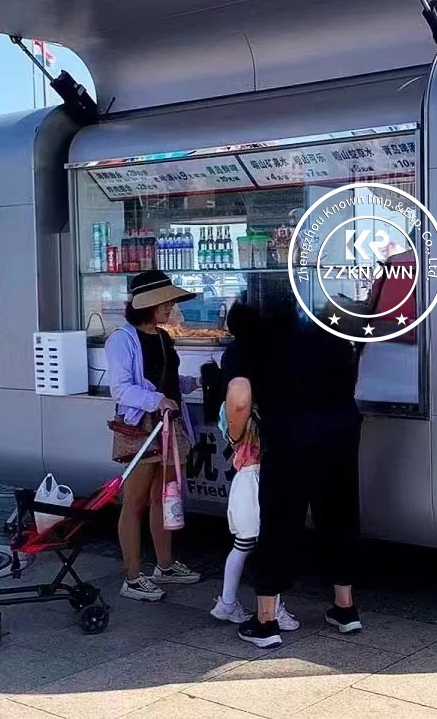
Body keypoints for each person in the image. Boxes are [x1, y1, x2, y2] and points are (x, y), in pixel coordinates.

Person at [236, 285, 364, 648]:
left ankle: (265, 621)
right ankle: (346, 609)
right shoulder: (335, 337)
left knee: (279, 522)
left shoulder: (263, 345)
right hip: (340, 432)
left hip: (289, 436)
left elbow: (242, 397)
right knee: (340, 517)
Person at [106, 269, 203, 601]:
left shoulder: (163, 337)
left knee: (164, 499)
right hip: (142, 429)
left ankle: (164, 564)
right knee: (134, 502)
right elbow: (120, 389)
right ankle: (132, 577)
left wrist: (191, 384)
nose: (170, 306)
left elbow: (168, 380)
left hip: (167, 425)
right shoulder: (122, 339)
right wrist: (157, 400)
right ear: (146, 304)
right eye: (165, 301)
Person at [208, 300, 298, 635]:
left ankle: (228, 602)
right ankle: (271, 610)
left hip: (247, 475)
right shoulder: (271, 365)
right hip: (259, 475)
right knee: (267, 546)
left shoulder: (235, 363)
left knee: (246, 545)